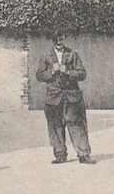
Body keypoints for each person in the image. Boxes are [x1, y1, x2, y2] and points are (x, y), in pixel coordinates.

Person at [37, 34, 94, 165]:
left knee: (77, 124)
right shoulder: (46, 56)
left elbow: (82, 73)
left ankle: (84, 154)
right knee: (55, 125)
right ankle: (60, 154)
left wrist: (67, 71)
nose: (58, 41)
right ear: (52, 40)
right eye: (55, 39)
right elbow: (39, 75)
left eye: (61, 38)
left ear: (64, 39)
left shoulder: (72, 54)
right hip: (54, 96)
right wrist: (51, 72)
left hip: (71, 96)